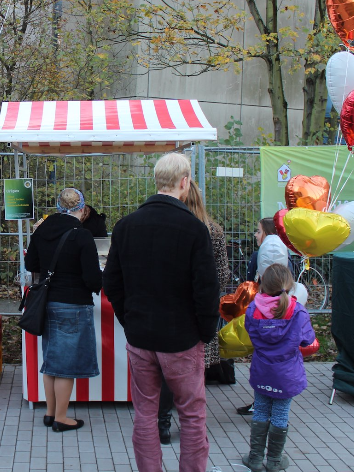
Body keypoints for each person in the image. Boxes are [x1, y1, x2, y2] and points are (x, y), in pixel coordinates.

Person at [102, 153, 220, 472]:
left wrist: (131, 319)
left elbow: (111, 282)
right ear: (184, 183)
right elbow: (207, 290)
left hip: (141, 338)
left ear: (157, 182)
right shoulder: (195, 230)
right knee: (192, 416)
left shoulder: (126, 226)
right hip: (182, 340)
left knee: (145, 414)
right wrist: (205, 333)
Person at [158, 181, 231, 443]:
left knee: (167, 370)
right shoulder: (213, 230)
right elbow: (222, 275)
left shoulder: (166, 228)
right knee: (193, 372)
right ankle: (191, 427)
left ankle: (163, 423)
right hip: (201, 311)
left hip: (169, 308)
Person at [25, 188, 102, 432]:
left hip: (47, 303)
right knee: (65, 366)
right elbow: (92, 278)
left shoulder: (43, 229)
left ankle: (49, 412)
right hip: (73, 304)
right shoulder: (82, 235)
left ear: (59, 206)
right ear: (82, 208)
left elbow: (31, 264)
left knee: (51, 361)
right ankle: (61, 418)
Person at [240, 264, 315, 472]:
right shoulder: (297, 310)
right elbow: (308, 340)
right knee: (281, 414)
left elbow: (251, 333)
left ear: (263, 284)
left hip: (262, 370)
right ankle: (274, 460)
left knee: (261, 410)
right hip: (286, 374)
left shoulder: (253, 309)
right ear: (288, 285)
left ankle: (255, 458)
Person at [239, 217, 294, 416]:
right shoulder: (287, 257)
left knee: (262, 360)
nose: (256, 234)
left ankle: (261, 403)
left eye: (259, 231)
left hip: (263, 319)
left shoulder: (257, 256)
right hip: (283, 319)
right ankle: (277, 404)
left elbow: (250, 283)